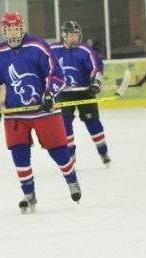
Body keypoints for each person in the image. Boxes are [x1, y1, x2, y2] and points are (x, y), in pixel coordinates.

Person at [0, 12, 81, 214]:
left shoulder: (37, 46)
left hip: (45, 111)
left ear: (22, 27)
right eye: (8, 29)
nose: (13, 32)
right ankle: (29, 194)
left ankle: (72, 181)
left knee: (59, 151)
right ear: (3, 31)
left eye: (16, 28)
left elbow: (56, 75)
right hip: (16, 114)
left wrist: (50, 95)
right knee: (19, 154)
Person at [51, 20, 111, 166]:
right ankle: (70, 155)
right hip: (63, 94)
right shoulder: (52, 49)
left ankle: (103, 152)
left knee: (93, 123)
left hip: (85, 92)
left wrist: (95, 82)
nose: (75, 38)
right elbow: (43, 67)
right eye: (71, 35)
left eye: (76, 35)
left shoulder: (85, 50)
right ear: (64, 35)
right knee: (65, 125)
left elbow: (97, 67)